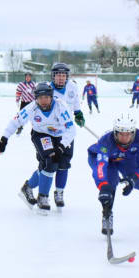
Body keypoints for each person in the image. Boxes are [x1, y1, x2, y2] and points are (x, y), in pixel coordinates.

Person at [0, 82, 76, 214]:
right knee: (50, 162)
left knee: (59, 164)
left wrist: (61, 147)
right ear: (36, 99)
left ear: (51, 97)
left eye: (46, 97)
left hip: (61, 136)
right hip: (42, 135)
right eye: (40, 98)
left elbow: (71, 130)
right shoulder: (32, 108)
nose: (43, 101)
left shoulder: (60, 107)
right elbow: (15, 122)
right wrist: (4, 139)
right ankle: (42, 198)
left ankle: (28, 187)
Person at [49, 63, 85, 208]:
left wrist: (78, 114)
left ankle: (59, 193)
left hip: (67, 132)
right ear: (53, 76)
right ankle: (38, 191)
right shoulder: (47, 89)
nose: (61, 78)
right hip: (50, 132)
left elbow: (75, 104)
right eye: (58, 75)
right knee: (49, 165)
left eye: (64, 75)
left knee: (64, 165)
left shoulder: (72, 87)